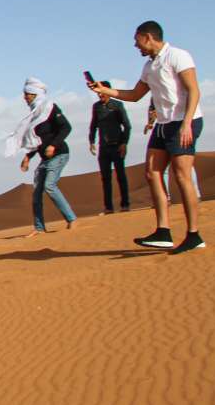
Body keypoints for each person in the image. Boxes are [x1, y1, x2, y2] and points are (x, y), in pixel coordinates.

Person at [88, 20, 206, 254]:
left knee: (182, 177)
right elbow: (134, 95)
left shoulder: (178, 55)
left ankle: (194, 234)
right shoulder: (149, 66)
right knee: (152, 172)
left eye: (137, 40)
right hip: (163, 124)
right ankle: (163, 232)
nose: (135, 45)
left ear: (148, 37)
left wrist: (186, 123)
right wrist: (104, 90)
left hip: (184, 122)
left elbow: (194, 90)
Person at [5, 77, 77, 237]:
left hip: (59, 154)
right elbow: (35, 140)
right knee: (36, 192)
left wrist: (53, 145)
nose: (24, 98)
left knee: (49, 186)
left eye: (27, 94)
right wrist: (27, 157)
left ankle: (71, 219)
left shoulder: (50, 107)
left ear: (34, 94)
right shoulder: (34, 114)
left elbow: (66, 127)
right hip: (45, 159)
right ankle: (39, 228)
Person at [89, 81, 131, 214]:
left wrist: (124, 143)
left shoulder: (117, 105)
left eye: (102, 91)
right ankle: (108, 207)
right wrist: (91, 141)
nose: (100, 94)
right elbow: (93, 125)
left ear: (108, 91)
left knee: (120, 176)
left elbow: (127, 125)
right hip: (104, 148)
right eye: (98, 93)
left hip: (117, 146)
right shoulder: (96, 107)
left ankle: (125, 204)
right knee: (105, 178)